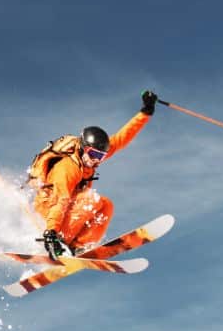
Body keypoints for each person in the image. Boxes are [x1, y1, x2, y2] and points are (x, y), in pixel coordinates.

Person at [35, 90, 158, 259]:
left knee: (106, 205)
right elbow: (60, 202)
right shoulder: (68, 169)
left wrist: (146, 112)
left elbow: (122, 138)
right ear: (83, 148)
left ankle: (79, 247)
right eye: (93, 155)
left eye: (100, 157)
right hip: (49, 212)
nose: (96, 160)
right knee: (90, 200)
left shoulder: (89, 160)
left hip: (65, 210)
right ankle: (63, 241)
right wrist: (51, 233)